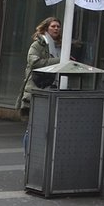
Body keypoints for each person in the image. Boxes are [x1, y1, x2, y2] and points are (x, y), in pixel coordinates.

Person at [19, 17, 63, 150]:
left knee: (46, 127)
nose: (56, 28)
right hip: (37, 89)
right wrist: (58, 61)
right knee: (33, 127)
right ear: (46, 28)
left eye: (58, 26)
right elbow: (34, 63)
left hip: (52, 89)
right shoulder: (38, 44)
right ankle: (28, 157)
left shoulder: (59, 46)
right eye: (53, 26)